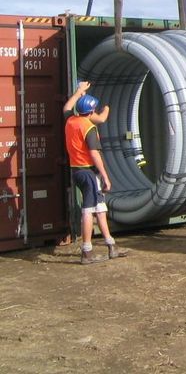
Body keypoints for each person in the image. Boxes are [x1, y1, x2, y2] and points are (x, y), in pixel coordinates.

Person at [63, 81, 127, 265]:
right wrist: (105, 175)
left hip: (77, 170)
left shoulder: (71, 121)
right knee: (88, 210)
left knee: (100, 208)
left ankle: (111, 245)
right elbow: (94, 153)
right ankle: (87, 251)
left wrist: (78, 92)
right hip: (88, 172)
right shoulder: (88, 127)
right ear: (91, 112)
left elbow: (67, 107)